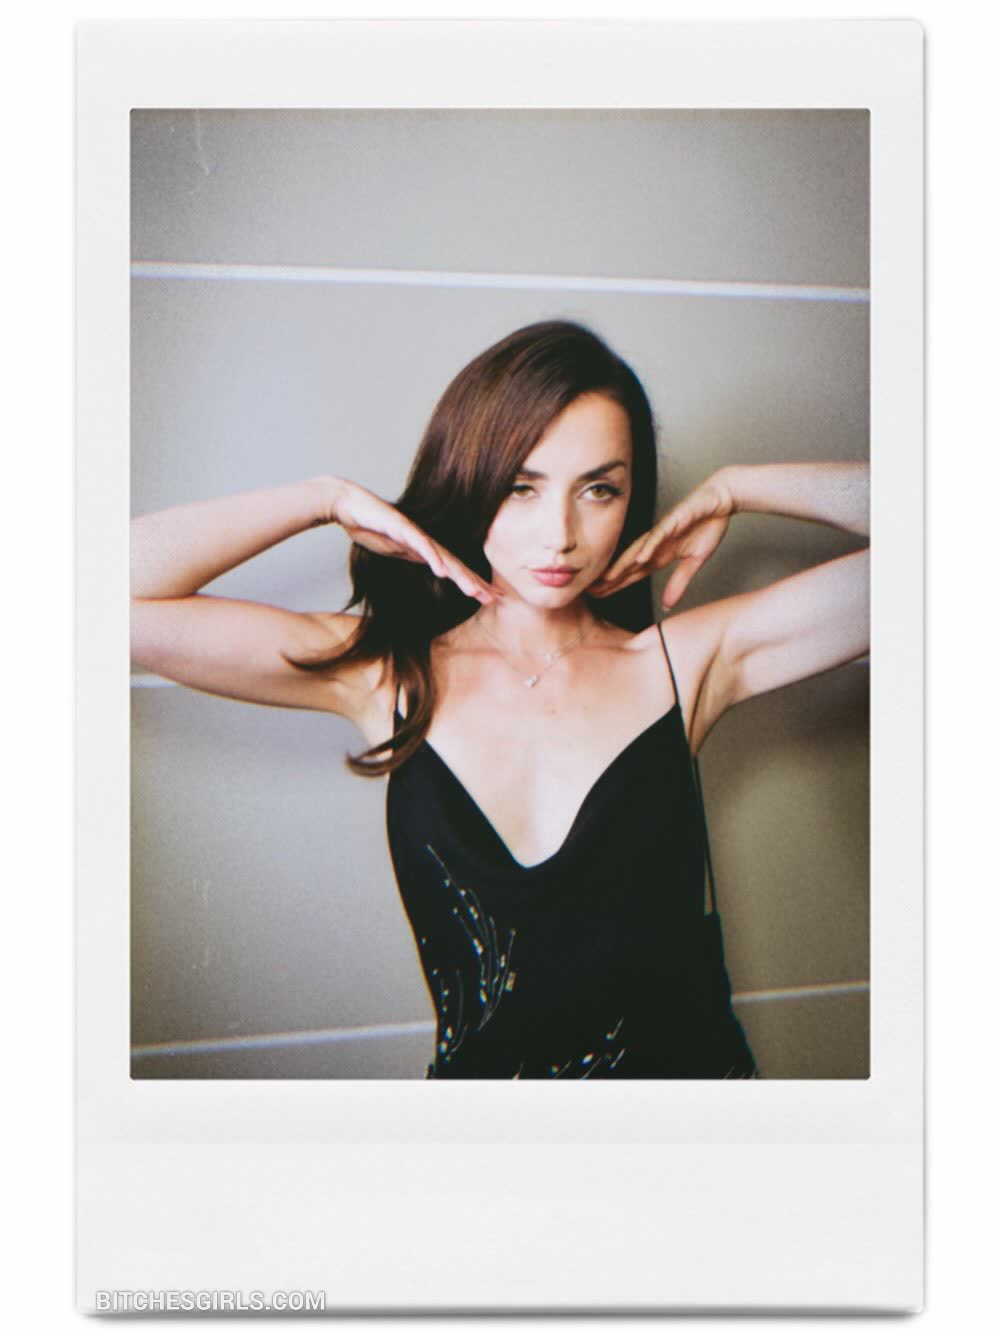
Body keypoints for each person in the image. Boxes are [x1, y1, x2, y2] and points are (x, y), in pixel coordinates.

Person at [130, 320, 870, 1079]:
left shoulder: (685, 663)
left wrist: (739, 487)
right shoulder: (389, 674)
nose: (560, 535)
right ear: (471, 479)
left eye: (599, 490)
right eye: (521, 487)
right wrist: (323, 499)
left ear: (631, 499)